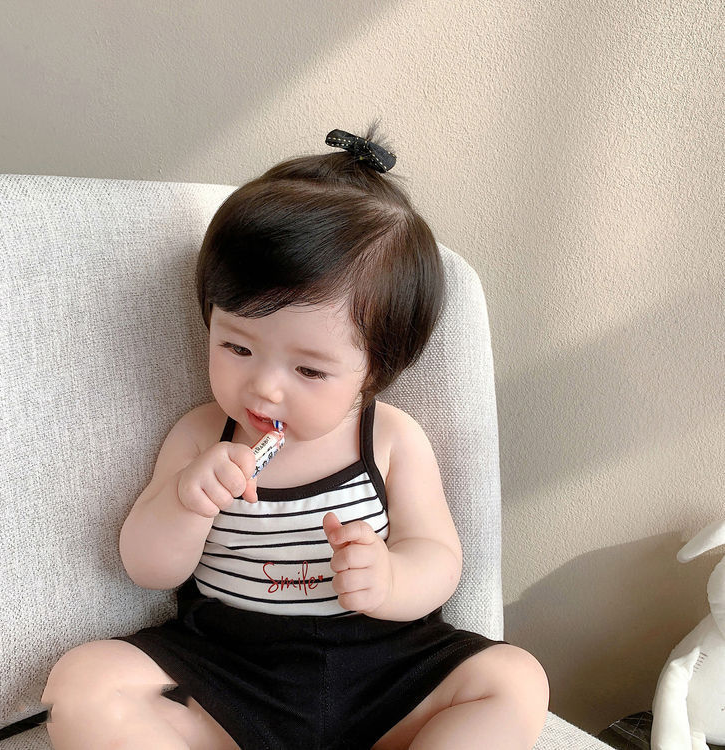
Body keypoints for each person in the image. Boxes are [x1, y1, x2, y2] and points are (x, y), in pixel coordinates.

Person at [41, 126, 549, 750]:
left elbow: (439, 558)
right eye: (237, 347)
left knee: (515, 679)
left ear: (375, 370)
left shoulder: (390, 439)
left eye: (308, 370)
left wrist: (390, 578)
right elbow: (147, 568)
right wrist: (184, 501)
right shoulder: (201, 434)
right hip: (230, 670)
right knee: (84, 681)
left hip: (383, 673)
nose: (264, 389)